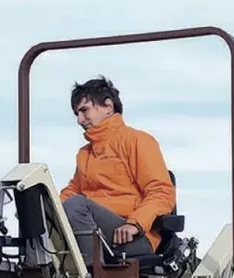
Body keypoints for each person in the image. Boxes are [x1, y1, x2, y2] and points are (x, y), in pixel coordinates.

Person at [59, 76, 176, 267]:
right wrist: (45, 206)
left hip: (131, 236)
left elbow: (161, 192)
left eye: (84, 110)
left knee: (76, 205)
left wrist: (134, 224)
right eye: (76, 115)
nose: (80, 120)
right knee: (41, 207)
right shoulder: (85, 154)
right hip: (96, 232)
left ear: (107, 106)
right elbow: (72, 191)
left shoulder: (137, 141)